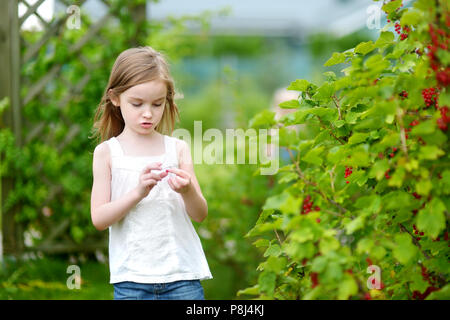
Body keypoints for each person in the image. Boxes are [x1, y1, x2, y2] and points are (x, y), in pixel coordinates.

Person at [89, 46, 212, 300]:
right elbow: (99, 218)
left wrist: (188, 190)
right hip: (131, 282)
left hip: (182, 278)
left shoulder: (177, 149)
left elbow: (200, 214)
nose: (148, 113)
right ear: (115, 98)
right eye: (137, 103)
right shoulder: (107, 153)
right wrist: (138, 192)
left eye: (157, 104)